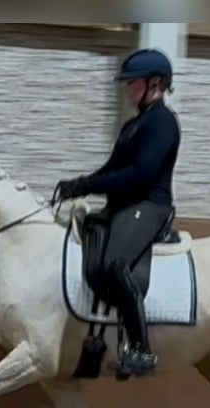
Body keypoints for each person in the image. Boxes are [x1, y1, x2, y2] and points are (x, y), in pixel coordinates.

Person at [57, 47, 181, 378]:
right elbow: (112, 169)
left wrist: (87, 184)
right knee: (89, 235)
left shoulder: (162, 122)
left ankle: (141, 348)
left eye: (133, 83)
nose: (127, 89)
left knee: (116, 263)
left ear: (155, 83)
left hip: (149, 205)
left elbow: (141, 174)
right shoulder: (133, 126)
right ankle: (95, 341)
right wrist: (79, 184)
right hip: (124, 205)